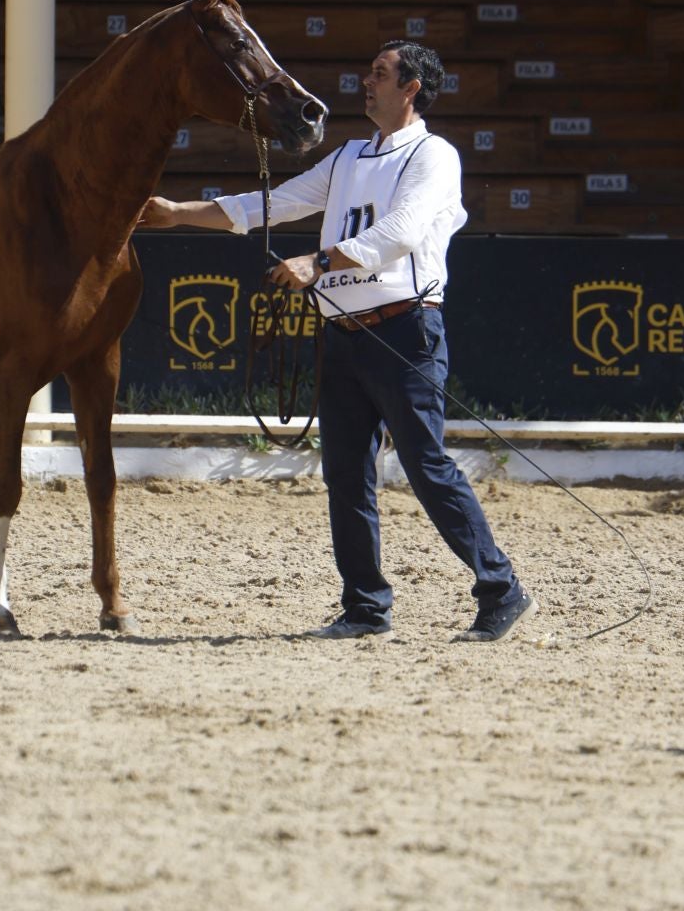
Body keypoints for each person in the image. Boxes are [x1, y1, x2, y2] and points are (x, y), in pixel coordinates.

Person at [139, 41, 536, 643]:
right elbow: (276, 203)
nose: (365, 81)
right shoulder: (349, 155)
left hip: (405, 330)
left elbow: (400, 233)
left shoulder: (434, 155)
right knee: (345, 475)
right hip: (344, 335)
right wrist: (179, 213)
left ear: (411, 88)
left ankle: (500, 587)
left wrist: (318, 262)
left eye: (380, 73)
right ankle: (365, 606)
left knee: (426, 466)